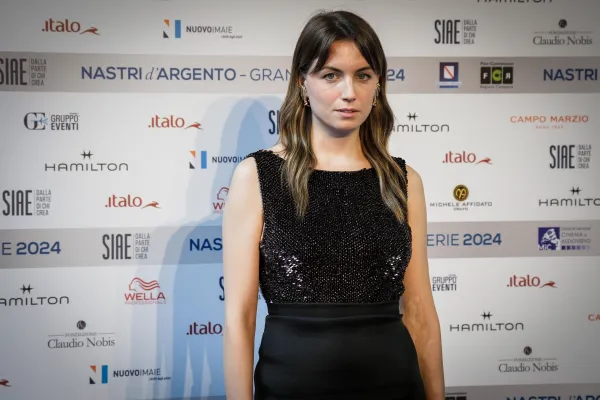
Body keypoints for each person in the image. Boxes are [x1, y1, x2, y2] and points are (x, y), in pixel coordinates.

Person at [222, 10, 445, 400]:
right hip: (292, 388)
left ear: (378, 84)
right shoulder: (256, 177)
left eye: (363, 75)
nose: (349, 92)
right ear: (302, 84)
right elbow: (239, 319)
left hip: (395, 384)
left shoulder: (404, 180)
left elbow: (420, 311)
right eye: (331, 75)